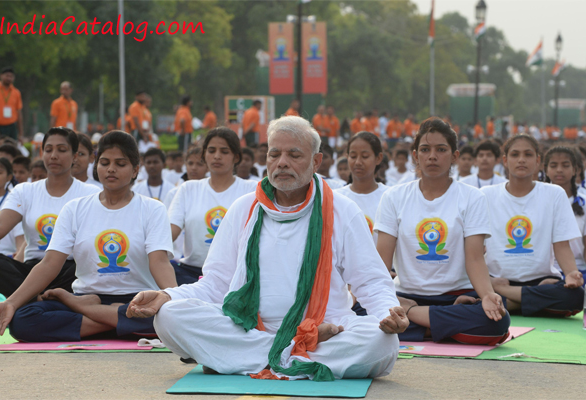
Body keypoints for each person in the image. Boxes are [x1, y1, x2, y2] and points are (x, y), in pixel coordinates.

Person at [127, 115, 407, 381]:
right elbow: (216, 284)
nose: (282, 163)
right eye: (275, 155)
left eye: (294, 155)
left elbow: (370, 281)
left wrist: (388, 313)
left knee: (381, 342)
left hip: (328, 327)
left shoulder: (343, 210)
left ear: (316, 161)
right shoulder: (243, 208)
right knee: (168, 317)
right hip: (252, 329)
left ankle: (240, 359)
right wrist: (167, 295)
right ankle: (293, 349)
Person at [0, 130, 177, 342]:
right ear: (96, 166)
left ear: (135, 170)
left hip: (136, 299)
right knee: (23, 320)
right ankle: (119, 325)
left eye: (120, 164)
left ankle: (93, 317)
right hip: (88, 295)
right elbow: (50, 264)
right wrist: (11, 303)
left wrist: (176, 301)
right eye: (104, 162)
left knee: (167, 315)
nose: (111, 169)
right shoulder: (75, 208)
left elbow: (160, 263)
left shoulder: (152, 209)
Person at [374, 117, 510, 344]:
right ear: (415, 156)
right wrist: (383, 298)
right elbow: (381, 262)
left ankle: (412, 318)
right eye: (425, 150)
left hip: (457, 297)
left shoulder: (472, 197)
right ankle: (441, 327)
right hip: (405, 294)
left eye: (441, 149)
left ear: (454, 156)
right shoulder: (394, 197)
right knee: (359, 311)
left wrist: (486, 295)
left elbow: (475, 259)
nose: (432, 156)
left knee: (497, 322)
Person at [0, 127, 100, 298]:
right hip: (29, 271)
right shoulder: (24, 191)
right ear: (42, 153)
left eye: (61, 150)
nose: (54, 155)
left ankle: (33, 298)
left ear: (75, 156)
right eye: (48, 150)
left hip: (70, 271)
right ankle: (34, 297)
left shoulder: (90, 193)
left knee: (88, 266)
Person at [485, 135, 585, 316]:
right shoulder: (485, 195)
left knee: (576, 296)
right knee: (470, 294)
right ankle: (535, 303)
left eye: (528, 154)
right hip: (496, 278)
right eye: (515, 154)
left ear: (538, 161)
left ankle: (507, 299)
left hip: (540, 281)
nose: (521, 159)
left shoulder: (554, 194)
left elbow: (562, 245)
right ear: (505, 161)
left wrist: (571, 273)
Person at [167, 127, 257, 285]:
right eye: (211, 150)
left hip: (237, 274)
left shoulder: (251, 189)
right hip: (191, 273)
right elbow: (170, 231)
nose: (217, 156)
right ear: (204, 155)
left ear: (236, 157)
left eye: (224, 151)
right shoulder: (188, 189)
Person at [337, 132, 388, 245]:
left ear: (378, 158)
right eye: (353, 156)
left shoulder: (390, 197)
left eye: (365, 156)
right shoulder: (335, 198)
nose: (358, 162)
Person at [544, 146, 586, 281]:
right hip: (544, 271)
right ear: (546, 169)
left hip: (578, 269)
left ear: (575, 170)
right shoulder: (536, 200)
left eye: (565, 165)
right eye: (554, 165)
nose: (559, 170)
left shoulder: (583, 202)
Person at [0, 157, 24, 257]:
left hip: (7, 257)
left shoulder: (15, 200)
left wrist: (19, 254)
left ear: (9, 177)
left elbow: (20, 237)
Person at [0, 67, 24, 157]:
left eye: (11, 76)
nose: (9, 78)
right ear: (1, 76)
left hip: (11, 127)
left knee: (12, 152)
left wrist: (21, 134)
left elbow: (19, 113)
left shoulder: (16, 92)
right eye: (7, 75)